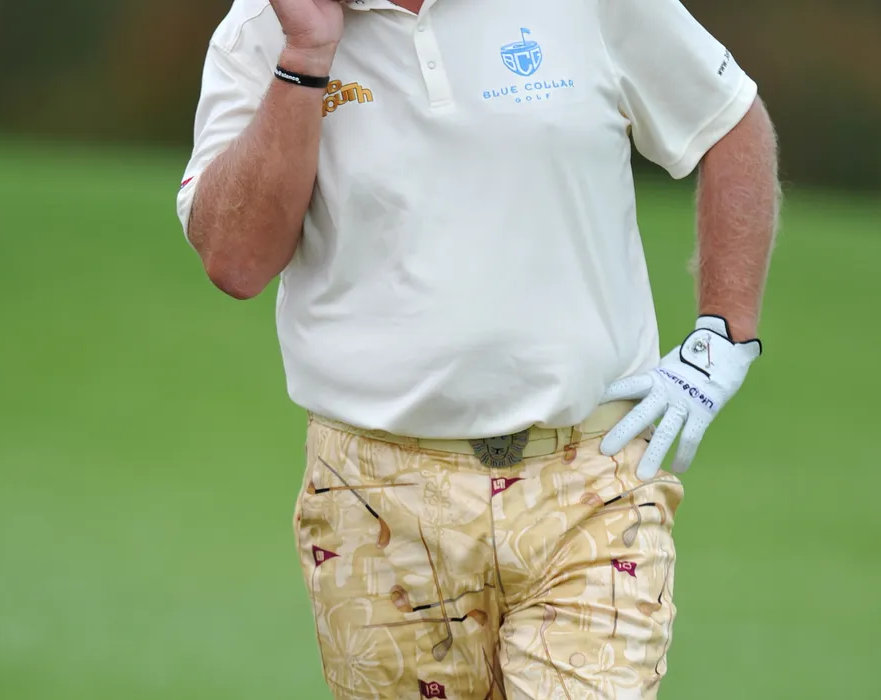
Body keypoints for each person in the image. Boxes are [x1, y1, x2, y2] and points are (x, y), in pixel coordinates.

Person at [176, 0, 779, 697]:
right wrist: (305, 56)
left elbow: (727, 119)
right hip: (372, 501)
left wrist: (723, 334)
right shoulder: (261, 27)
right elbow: (235, 261)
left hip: (589, 481)